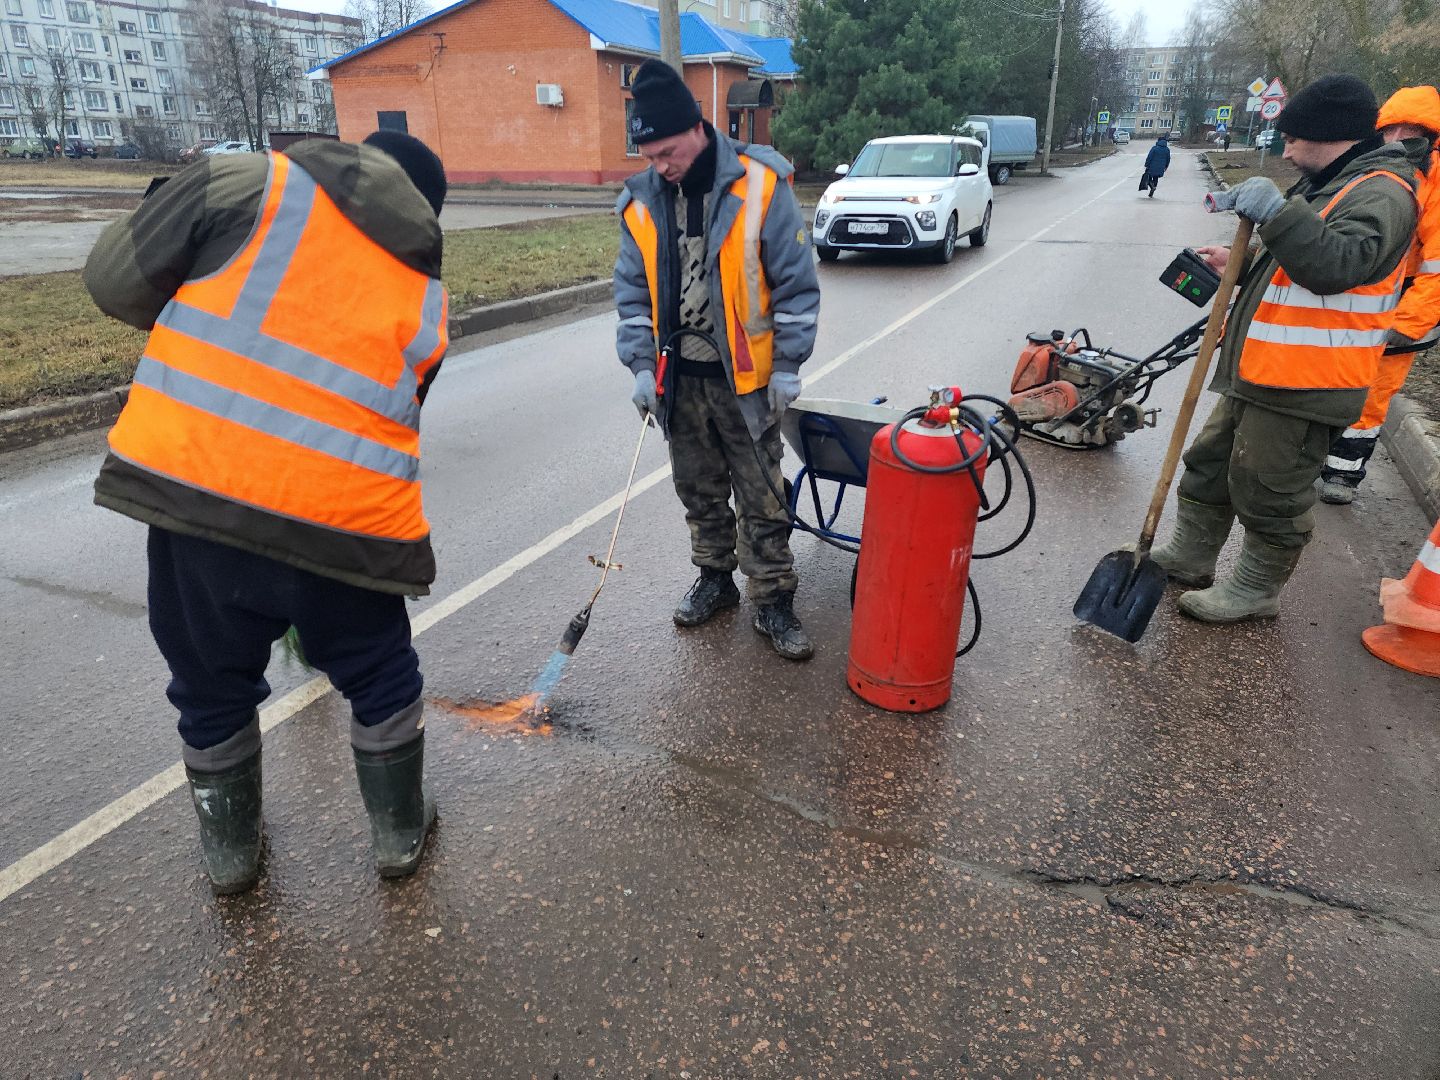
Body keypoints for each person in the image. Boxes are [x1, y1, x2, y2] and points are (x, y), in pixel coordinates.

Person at [83, 132, 451, 894]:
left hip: (201, 501)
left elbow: (113, 282)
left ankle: (232, 856)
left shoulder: (244, 186)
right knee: (379, 673)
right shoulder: (427, 293)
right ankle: (398, 836)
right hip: (347, 527)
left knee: (209, 683)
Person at [1149, 74, 1422, 623]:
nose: (1286, 148)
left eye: (1293, 136)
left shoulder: (1383, 193)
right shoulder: (1331, 182)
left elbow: (1337, 266)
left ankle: (1255, 589)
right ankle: (1192, 554)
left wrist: (1277, 214)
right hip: (1262, 368)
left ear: (1329, 134)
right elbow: (1294, 267)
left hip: (1309, 380)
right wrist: (1241, 266)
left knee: (1269, 485)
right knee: (1211, 462)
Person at [614, 59, 821, 660]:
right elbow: (631, 295)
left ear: (697, 128)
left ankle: (774, 597)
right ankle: (715, 581)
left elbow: (796, 286)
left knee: (761, 492)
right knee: (698, 490)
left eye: (668, 152)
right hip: (681, 382)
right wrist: (639, 368)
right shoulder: (640, 202)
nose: (660, 167)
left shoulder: (760, 183)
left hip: (748, 380)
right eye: (649, 157)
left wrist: (787, 364)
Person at [1320, 85, 1440, 504]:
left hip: (1405, 305)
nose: (1398, 136)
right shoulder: (1376, 166)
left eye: (1409, 129)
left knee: (1373, 390)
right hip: (1363, 291)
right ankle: (1316, 456)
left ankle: (1343, 472)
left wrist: (1406, 325)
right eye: (1391, 128)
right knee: (1329, 377)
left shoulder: (1435, 178)